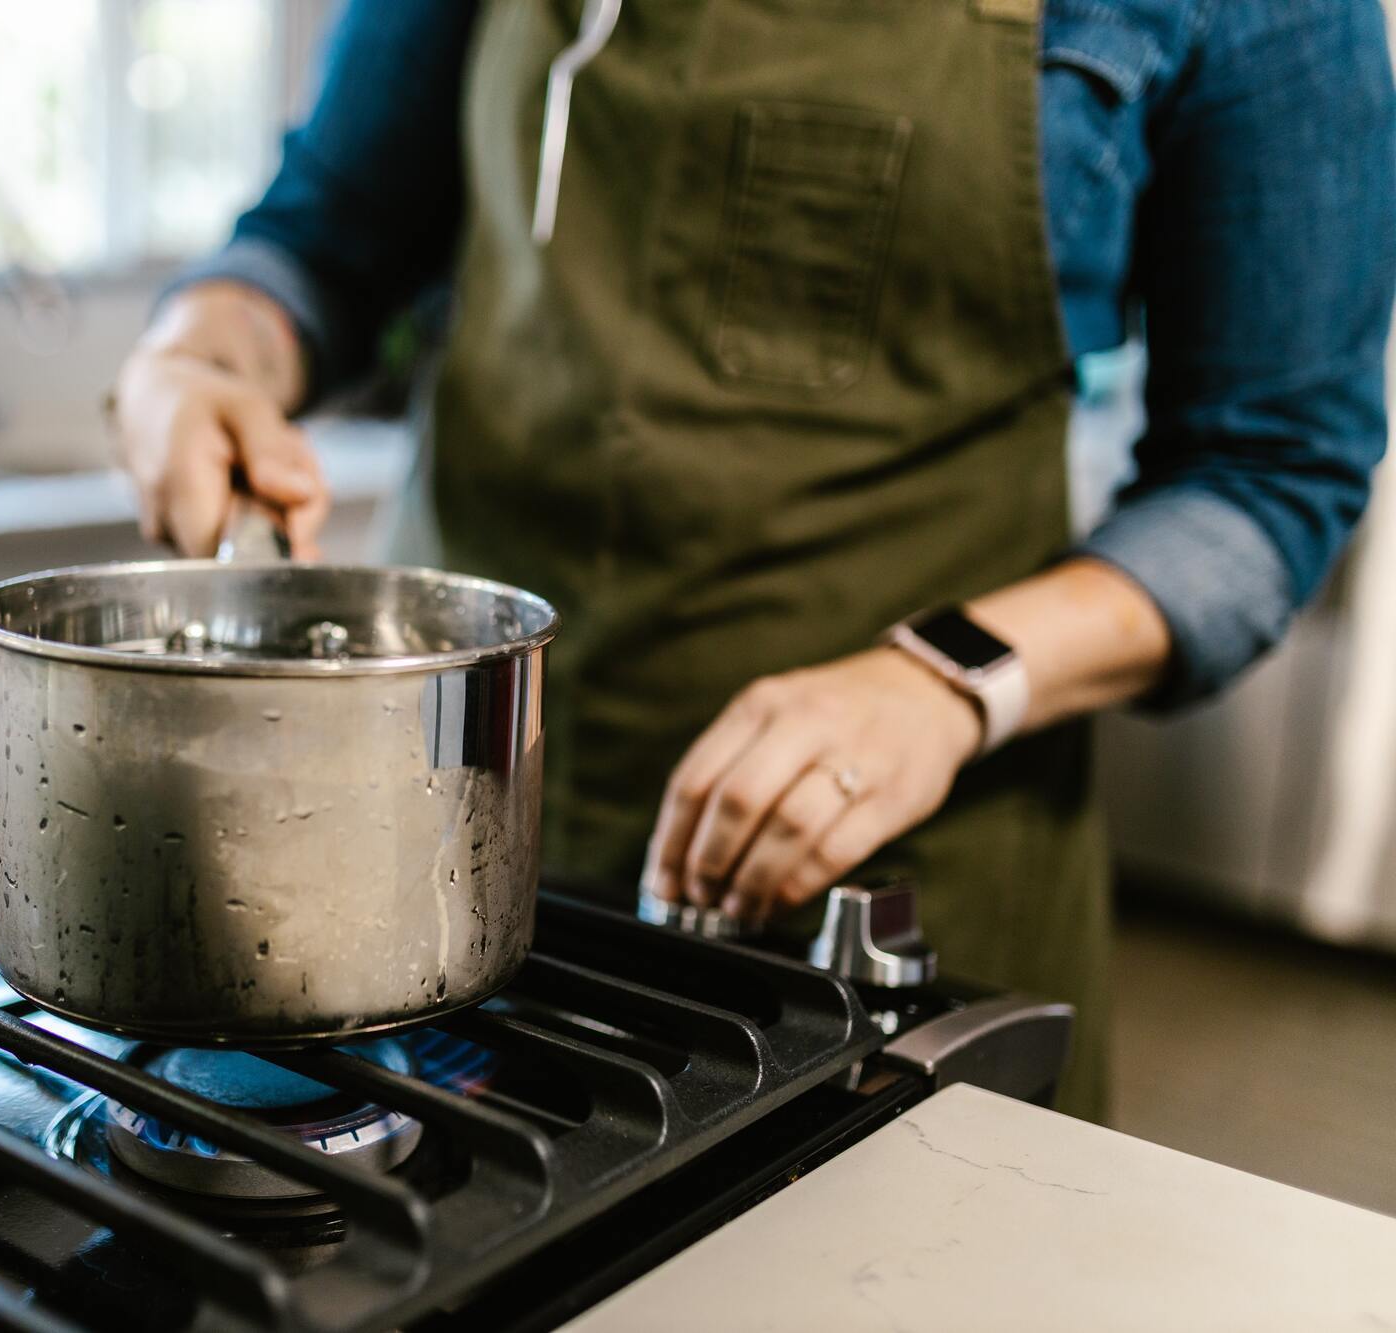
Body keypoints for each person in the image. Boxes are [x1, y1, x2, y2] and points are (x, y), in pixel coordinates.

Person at [110, 0, 1396, 1118]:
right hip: (431, 827)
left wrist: (941, 680)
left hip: (888, 883)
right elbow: (325, 236)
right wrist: (200, 355)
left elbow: (1267, 468)